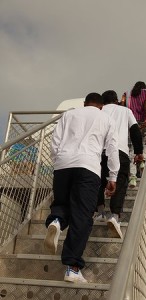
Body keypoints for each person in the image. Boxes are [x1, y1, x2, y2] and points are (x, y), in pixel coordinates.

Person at [44, 93, 120, 283]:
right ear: (101, 107)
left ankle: (56, 222)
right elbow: (112, 148)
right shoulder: (106, 118)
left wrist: (58, 162)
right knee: (82, 216)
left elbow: (55, 143)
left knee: (62, 202)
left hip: (63, 165)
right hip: (88, 167)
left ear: (84, 104)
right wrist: (113, 176)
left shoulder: (69, 115)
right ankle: (72, 268)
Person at [94, 90, 143, 239]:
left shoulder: (98, 111)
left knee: (98, 181)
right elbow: (135, 131)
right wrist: (138, 152)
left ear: (102, 101)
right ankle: (114, 215)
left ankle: (100, 211)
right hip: (119, 150)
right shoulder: (125, 111)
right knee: (120, 181)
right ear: (116, 100)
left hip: (98, 151)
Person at [120, 81, 146, 181]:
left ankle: (133, 176)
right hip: (142, 122)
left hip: (131, 123)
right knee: (144, 145)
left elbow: (122, 105)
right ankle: (142, 162)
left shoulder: (126, 93)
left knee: (131, 148)